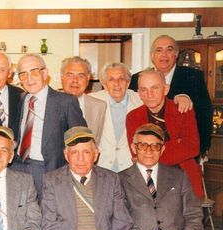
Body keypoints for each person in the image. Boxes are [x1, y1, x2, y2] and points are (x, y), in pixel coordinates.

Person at [119, 123, 220, 230]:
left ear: (163, 149)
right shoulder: (119, 180)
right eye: (143, 145)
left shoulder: (179, 176)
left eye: (155, 146)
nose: (149, 151)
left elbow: (193, 214)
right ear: (133, 148)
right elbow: (120, 220)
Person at [41, 126, 132, 230]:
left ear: (96, 155)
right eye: (74, 152)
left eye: (86, 152)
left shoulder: (111, 179)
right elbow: (49, 229)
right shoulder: (51, 181)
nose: (80, 159)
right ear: (66, 155)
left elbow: (122, 223)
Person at [12, 53, 87, 197]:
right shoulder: (21, 99)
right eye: (23, 74)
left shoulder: (66, 102)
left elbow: (80, 142)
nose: (29, 78)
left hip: (47, 170)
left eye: (34, 71)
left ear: (45, 73)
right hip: (18, 168)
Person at [126, 69, 204, 199]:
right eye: (143, 89)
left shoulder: (183, 110)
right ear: (139, 93)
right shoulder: (133, 117)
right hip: (150, 180)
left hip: (185, 178)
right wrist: (177, 143)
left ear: (166, 89)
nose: (149, 94)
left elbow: (192, 147)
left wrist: (152, 152)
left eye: (155, 88)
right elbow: (137, 153)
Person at [129, 34, 213, 155]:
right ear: (152, 56)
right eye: (159, 50)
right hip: (147, 152)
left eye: (169, 49)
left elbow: (205, 114)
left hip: (184, 153)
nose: (164, 55)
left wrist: (201, 149)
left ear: (176, 54)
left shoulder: (192, 77)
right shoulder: (136, 78)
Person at [91, 62, 143, 172]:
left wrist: (182, 97)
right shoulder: (92, 101)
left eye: (121, 79)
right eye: (111, 79)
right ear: (104, 84)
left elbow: (161, 101)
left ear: (128, 83)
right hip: (101, 167)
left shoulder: (141, 100)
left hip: (131, 167)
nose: (117, 84)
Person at [61, 56, 106, 145]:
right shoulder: (50, 102)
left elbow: (96, 143)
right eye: (70, 75)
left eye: (81, 76)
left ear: (88, 78)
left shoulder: (99, 106)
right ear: (62, 77)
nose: (75, 80)